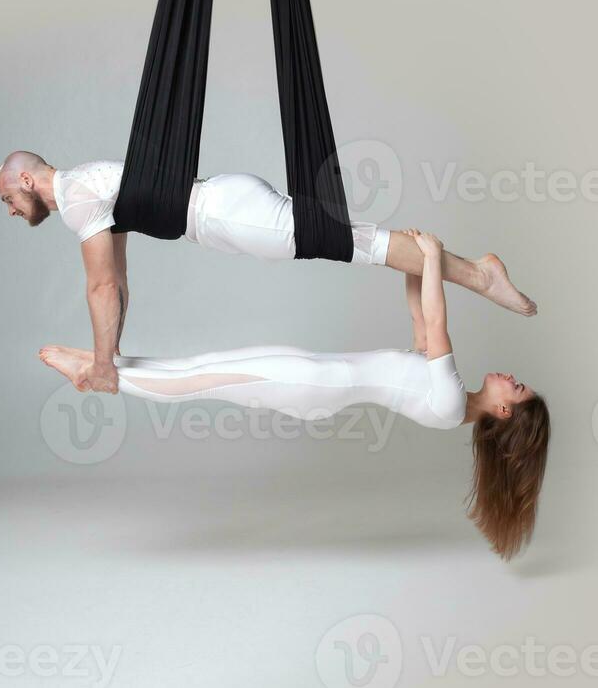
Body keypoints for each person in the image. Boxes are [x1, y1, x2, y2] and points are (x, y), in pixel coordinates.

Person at [40, 231, 550, 560]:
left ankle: (97, 374)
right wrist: (415, 264)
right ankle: (96, 362)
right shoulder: (449, 397)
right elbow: (421, 318)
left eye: (517, 388)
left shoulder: (451, 403)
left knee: (198, 378)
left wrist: (435, 256)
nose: (511, 376)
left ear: (504, 411)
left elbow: (437, 320)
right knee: (201, 371)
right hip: (312, 378)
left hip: (309, 383)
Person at [0, 152, 537, 394]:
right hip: (223, 209)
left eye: (7, 199)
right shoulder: (87, 184)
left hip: (227, 214)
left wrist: (107, 365)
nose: (11, 211)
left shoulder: (75, 198)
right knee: (346, 241)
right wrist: (107, 357)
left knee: (347, 242)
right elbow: (117, 283)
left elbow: (102, 286)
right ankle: (475, 274)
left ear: (24, 178)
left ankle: (479, 274)